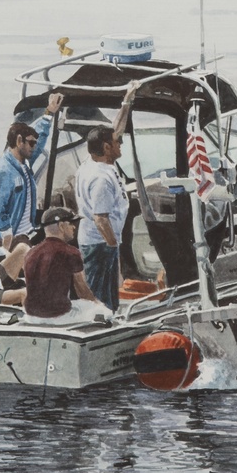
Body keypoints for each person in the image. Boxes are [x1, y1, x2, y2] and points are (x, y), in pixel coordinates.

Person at [75, 81, 141, 311]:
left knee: (106, 293)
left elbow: (116, 128)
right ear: (105, 148)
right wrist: (114, 247)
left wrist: (127, 101)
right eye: (116, 143)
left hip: (98, 242)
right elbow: (100, 218)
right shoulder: (101, 179)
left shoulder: (94, 162)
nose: (120, 143)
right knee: (100, 299)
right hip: (100, 245)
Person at [0, 93, 63, 250]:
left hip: (28, 233)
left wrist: (49, 113)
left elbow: (39, 141)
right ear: (19, 141)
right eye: (31, 143)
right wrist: (7, 244)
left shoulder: (23, 163)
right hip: (15, 242)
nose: (35, 147)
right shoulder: (3, 172)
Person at [23, 207, 111, 325]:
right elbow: (82, 290)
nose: (74, 227)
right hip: (59, 317)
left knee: (77, 304)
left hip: (31, 316)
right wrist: (98, 303)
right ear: (61, 226)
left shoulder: (31, 253)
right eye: (71, 223)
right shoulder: (70, 252)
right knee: (105, 312)